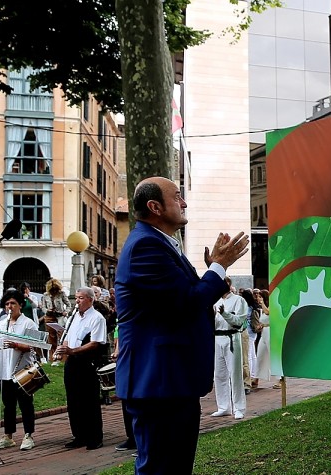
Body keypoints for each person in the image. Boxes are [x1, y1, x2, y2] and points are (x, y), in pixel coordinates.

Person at [116, 176, 249, 474]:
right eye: (177, 196)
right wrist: (219, 266)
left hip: (170, 380)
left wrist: (213, 270)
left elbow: (179, 300)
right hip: (159, 382)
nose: (184, 202)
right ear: (155, 207)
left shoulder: (160, 243)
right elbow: (188, 302)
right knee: (161, 468)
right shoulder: (146, 246)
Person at [55, 287, 107, 450]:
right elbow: (68, 338)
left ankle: (95, 437)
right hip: (73, 361)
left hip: (87, 362)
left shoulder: (97, 318)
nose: (77, 301)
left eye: (81, 298)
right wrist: (62, 349)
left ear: (90, 300)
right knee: (73, 400)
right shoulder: (74, 316)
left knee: (89, 400)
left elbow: (95, 343)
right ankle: (79, 435)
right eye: (76, 298)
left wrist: (72, 350)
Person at [0, 292, 38, 452]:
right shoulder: (0, 325)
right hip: (3, 371)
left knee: (25, 403)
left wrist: (17, 345)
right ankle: (8, 435)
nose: (9, 307)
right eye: (7, 304)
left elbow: (36, 345)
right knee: (8, 404)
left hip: (22, 370)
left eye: (13, 303)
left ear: (20, 305)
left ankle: (28, 434)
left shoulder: (29, 323)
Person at [212, 281, 248, 419]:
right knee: (219, 374)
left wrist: (224, 313)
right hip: (217, 337)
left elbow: (238, 321)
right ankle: (223, 406)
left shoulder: (239, 300)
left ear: (228, 284)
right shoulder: (216, 301)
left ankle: (239, 408)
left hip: (232, 337)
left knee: (235, 373)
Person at [39, 279, 71, 363]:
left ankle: (63, 358)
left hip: (60, 317)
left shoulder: (61, 294)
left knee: (62, 336)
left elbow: (68, 305)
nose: (54, 292)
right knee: (51, 338)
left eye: (55, 290)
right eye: (52, 290)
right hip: (49, 317)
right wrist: (47, 311)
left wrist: (66, 312)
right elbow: (43, 307)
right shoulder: (45, 295)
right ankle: (52, 358)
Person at [251, 291, 272, 389]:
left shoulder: (270, 306)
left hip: (270, 333)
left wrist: (262, 303)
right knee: (260, 355)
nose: (258, 298)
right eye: (258, 296)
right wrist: (260, 326)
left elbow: (268, 312)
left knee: (272, 355)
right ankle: (256, 378)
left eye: (260, 296)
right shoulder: (260, 309)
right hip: (263, 333)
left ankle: (280, 379)